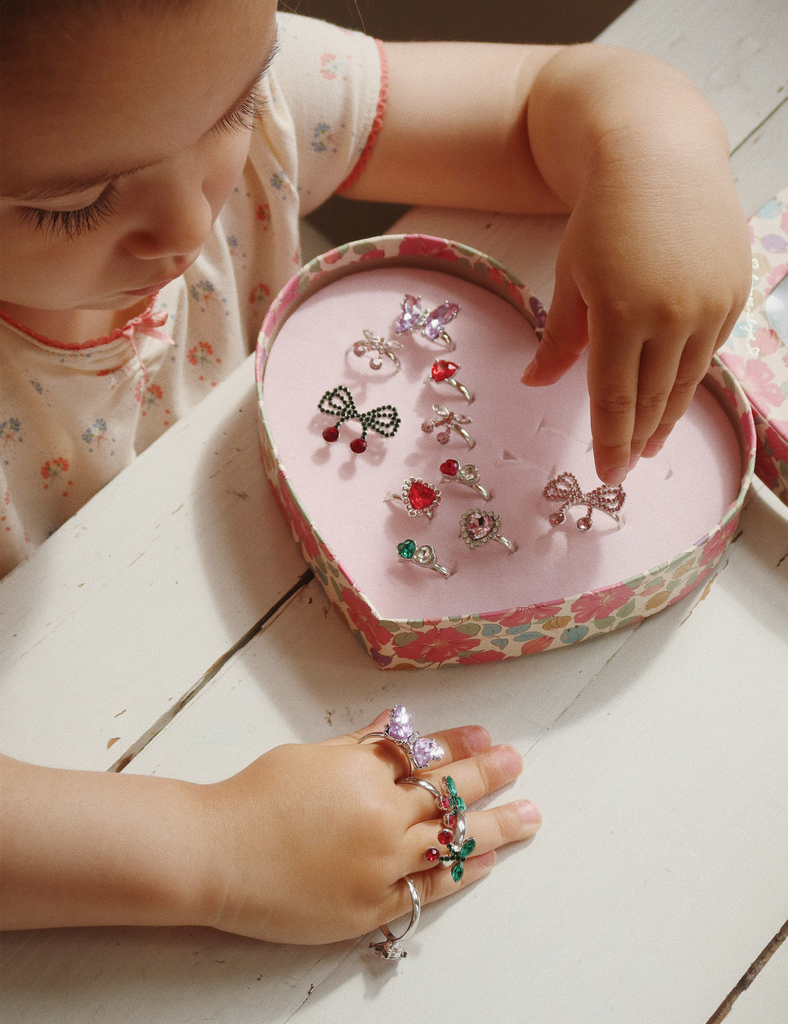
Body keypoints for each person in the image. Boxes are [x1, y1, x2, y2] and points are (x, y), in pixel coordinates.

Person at [0, 0, 750, 943]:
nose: (190, 223)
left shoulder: (215, 82)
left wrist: (663, 156)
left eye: (230, 115)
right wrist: (209, 852)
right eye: (68, 206)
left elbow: (538, 102)